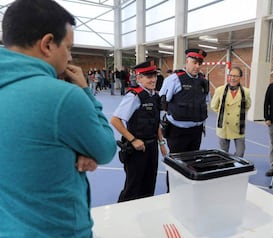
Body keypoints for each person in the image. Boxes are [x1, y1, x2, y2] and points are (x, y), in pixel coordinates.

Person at [0, 0, 117, 237]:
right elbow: (105, 149)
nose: (70, 58)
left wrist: (61, 153)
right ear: (47, 44)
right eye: (68, 47)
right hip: (55, 229)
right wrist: (85, 92)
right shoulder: (63, 97)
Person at [111, 60, 168, 202]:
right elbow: (115, 120)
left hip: (152, 146)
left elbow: (156, 123)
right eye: (149, 76)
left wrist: (161, 143)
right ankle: (124, 215)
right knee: (133, 186)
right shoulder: (134, 96)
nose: (153, 79)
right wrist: (133, 140)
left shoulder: (155, 96)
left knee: (149, 183)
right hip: (136, 149)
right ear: (139, 78)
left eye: (154, 76)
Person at [159, 48, 210, 153]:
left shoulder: (204, 81)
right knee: (177, 164)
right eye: (194, 62)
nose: (197, 66)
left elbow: (205, 101)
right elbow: (162, 102)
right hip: (177, 131)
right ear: (187, 61)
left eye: (199, 63)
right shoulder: (173, 79)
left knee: (193, 162)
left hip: (196, 131)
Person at [211, 66, 251, 157]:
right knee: (223, 153)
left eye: (236, 76)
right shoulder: (220, 90)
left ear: (240, 77)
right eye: (231, 75)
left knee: (240, 152)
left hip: (239, 126)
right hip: (224, 125)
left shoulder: (246, 92)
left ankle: (235, 166)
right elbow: (214, 106)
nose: (232, 78)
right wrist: (224, 114)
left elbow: (247, 106)